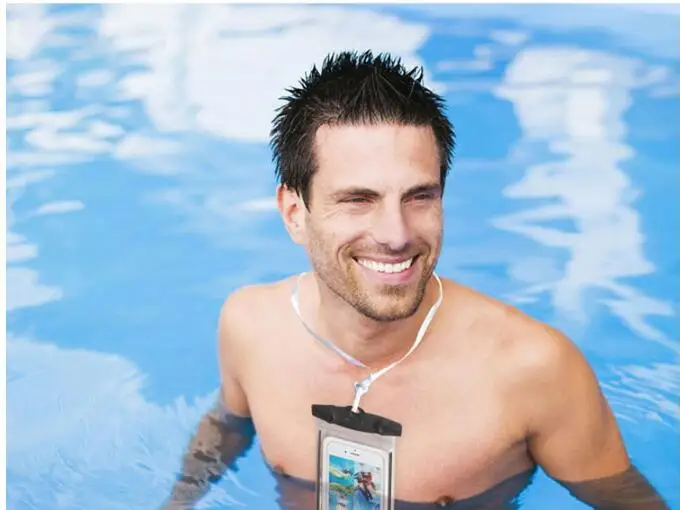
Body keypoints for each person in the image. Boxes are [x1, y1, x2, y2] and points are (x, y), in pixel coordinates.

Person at [161, 51, 668, 509]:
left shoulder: (533, 370)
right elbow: (228, 427)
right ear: (294, 213)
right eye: (358, 200)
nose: (396, 235)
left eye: (419, 197)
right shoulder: (249, 325)